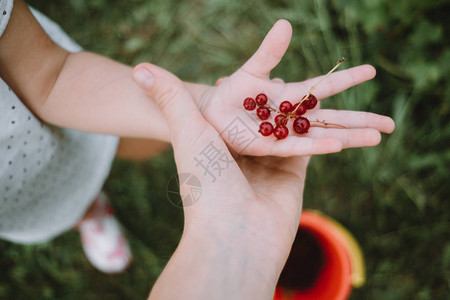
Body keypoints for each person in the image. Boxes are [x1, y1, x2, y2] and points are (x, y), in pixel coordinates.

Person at [0, 0, 394, 282]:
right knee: (63, 205)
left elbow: (51, 76)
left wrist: (201, 108)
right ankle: (85, 214)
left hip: (70, 124)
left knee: (127, 138)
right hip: (20, 197)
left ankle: (94, 194)